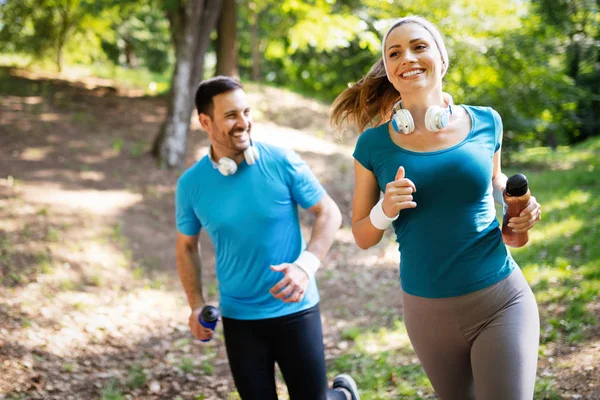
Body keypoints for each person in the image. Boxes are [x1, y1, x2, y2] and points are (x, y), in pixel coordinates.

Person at [330, 16, 542, 400]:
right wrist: (384, 208)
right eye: (394, 53)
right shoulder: (372, 146)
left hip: (500, 299)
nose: (407, 57)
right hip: (428, 316)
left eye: (419, 46)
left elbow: (493, 180)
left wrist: (514, 202)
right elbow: (362, 235)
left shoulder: (486, 122)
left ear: (441, 59)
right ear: (390, 74)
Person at [175, 76, 360, 400]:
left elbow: (329, 212)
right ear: (205, 121)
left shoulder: (281, 161)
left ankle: (342, 395)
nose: (243, 122)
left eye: (246, 112)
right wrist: (196, 306)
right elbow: (187, 246)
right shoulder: (191, 185)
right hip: (239, 317)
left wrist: (305, 266)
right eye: (231, 115)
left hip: (295, 309)